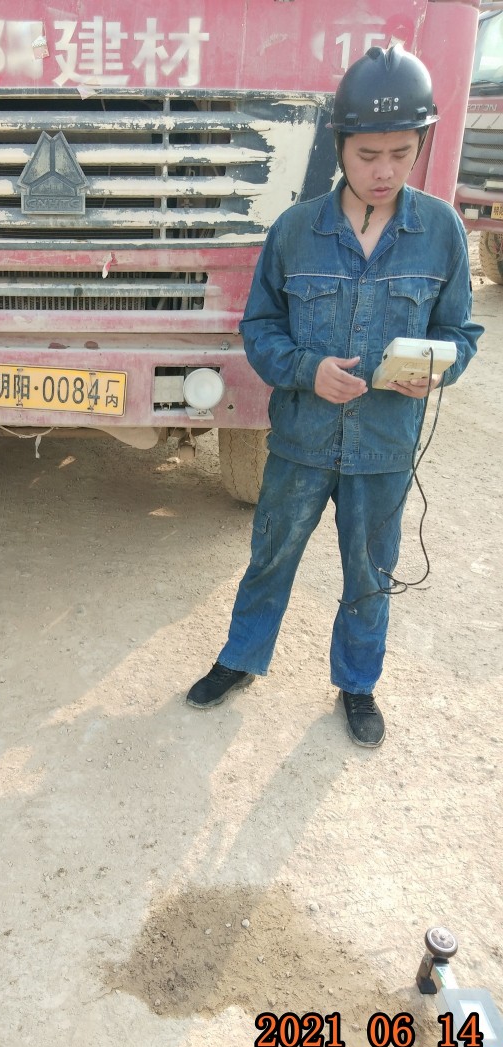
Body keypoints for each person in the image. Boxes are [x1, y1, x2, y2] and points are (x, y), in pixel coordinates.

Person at [186, 45, 482, 746]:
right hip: (301, 440)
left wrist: (437, 369)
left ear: (422, 145)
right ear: (340, 144)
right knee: (271, 556)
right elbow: (259, 328)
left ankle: (357, 683)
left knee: (370, 572)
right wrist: (305, 369)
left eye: (401, 154)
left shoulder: (440, 231)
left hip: (384, 445)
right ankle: (240, 658)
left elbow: (460, 332)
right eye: (368, 153)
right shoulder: (296, 231)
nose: (384, 170)